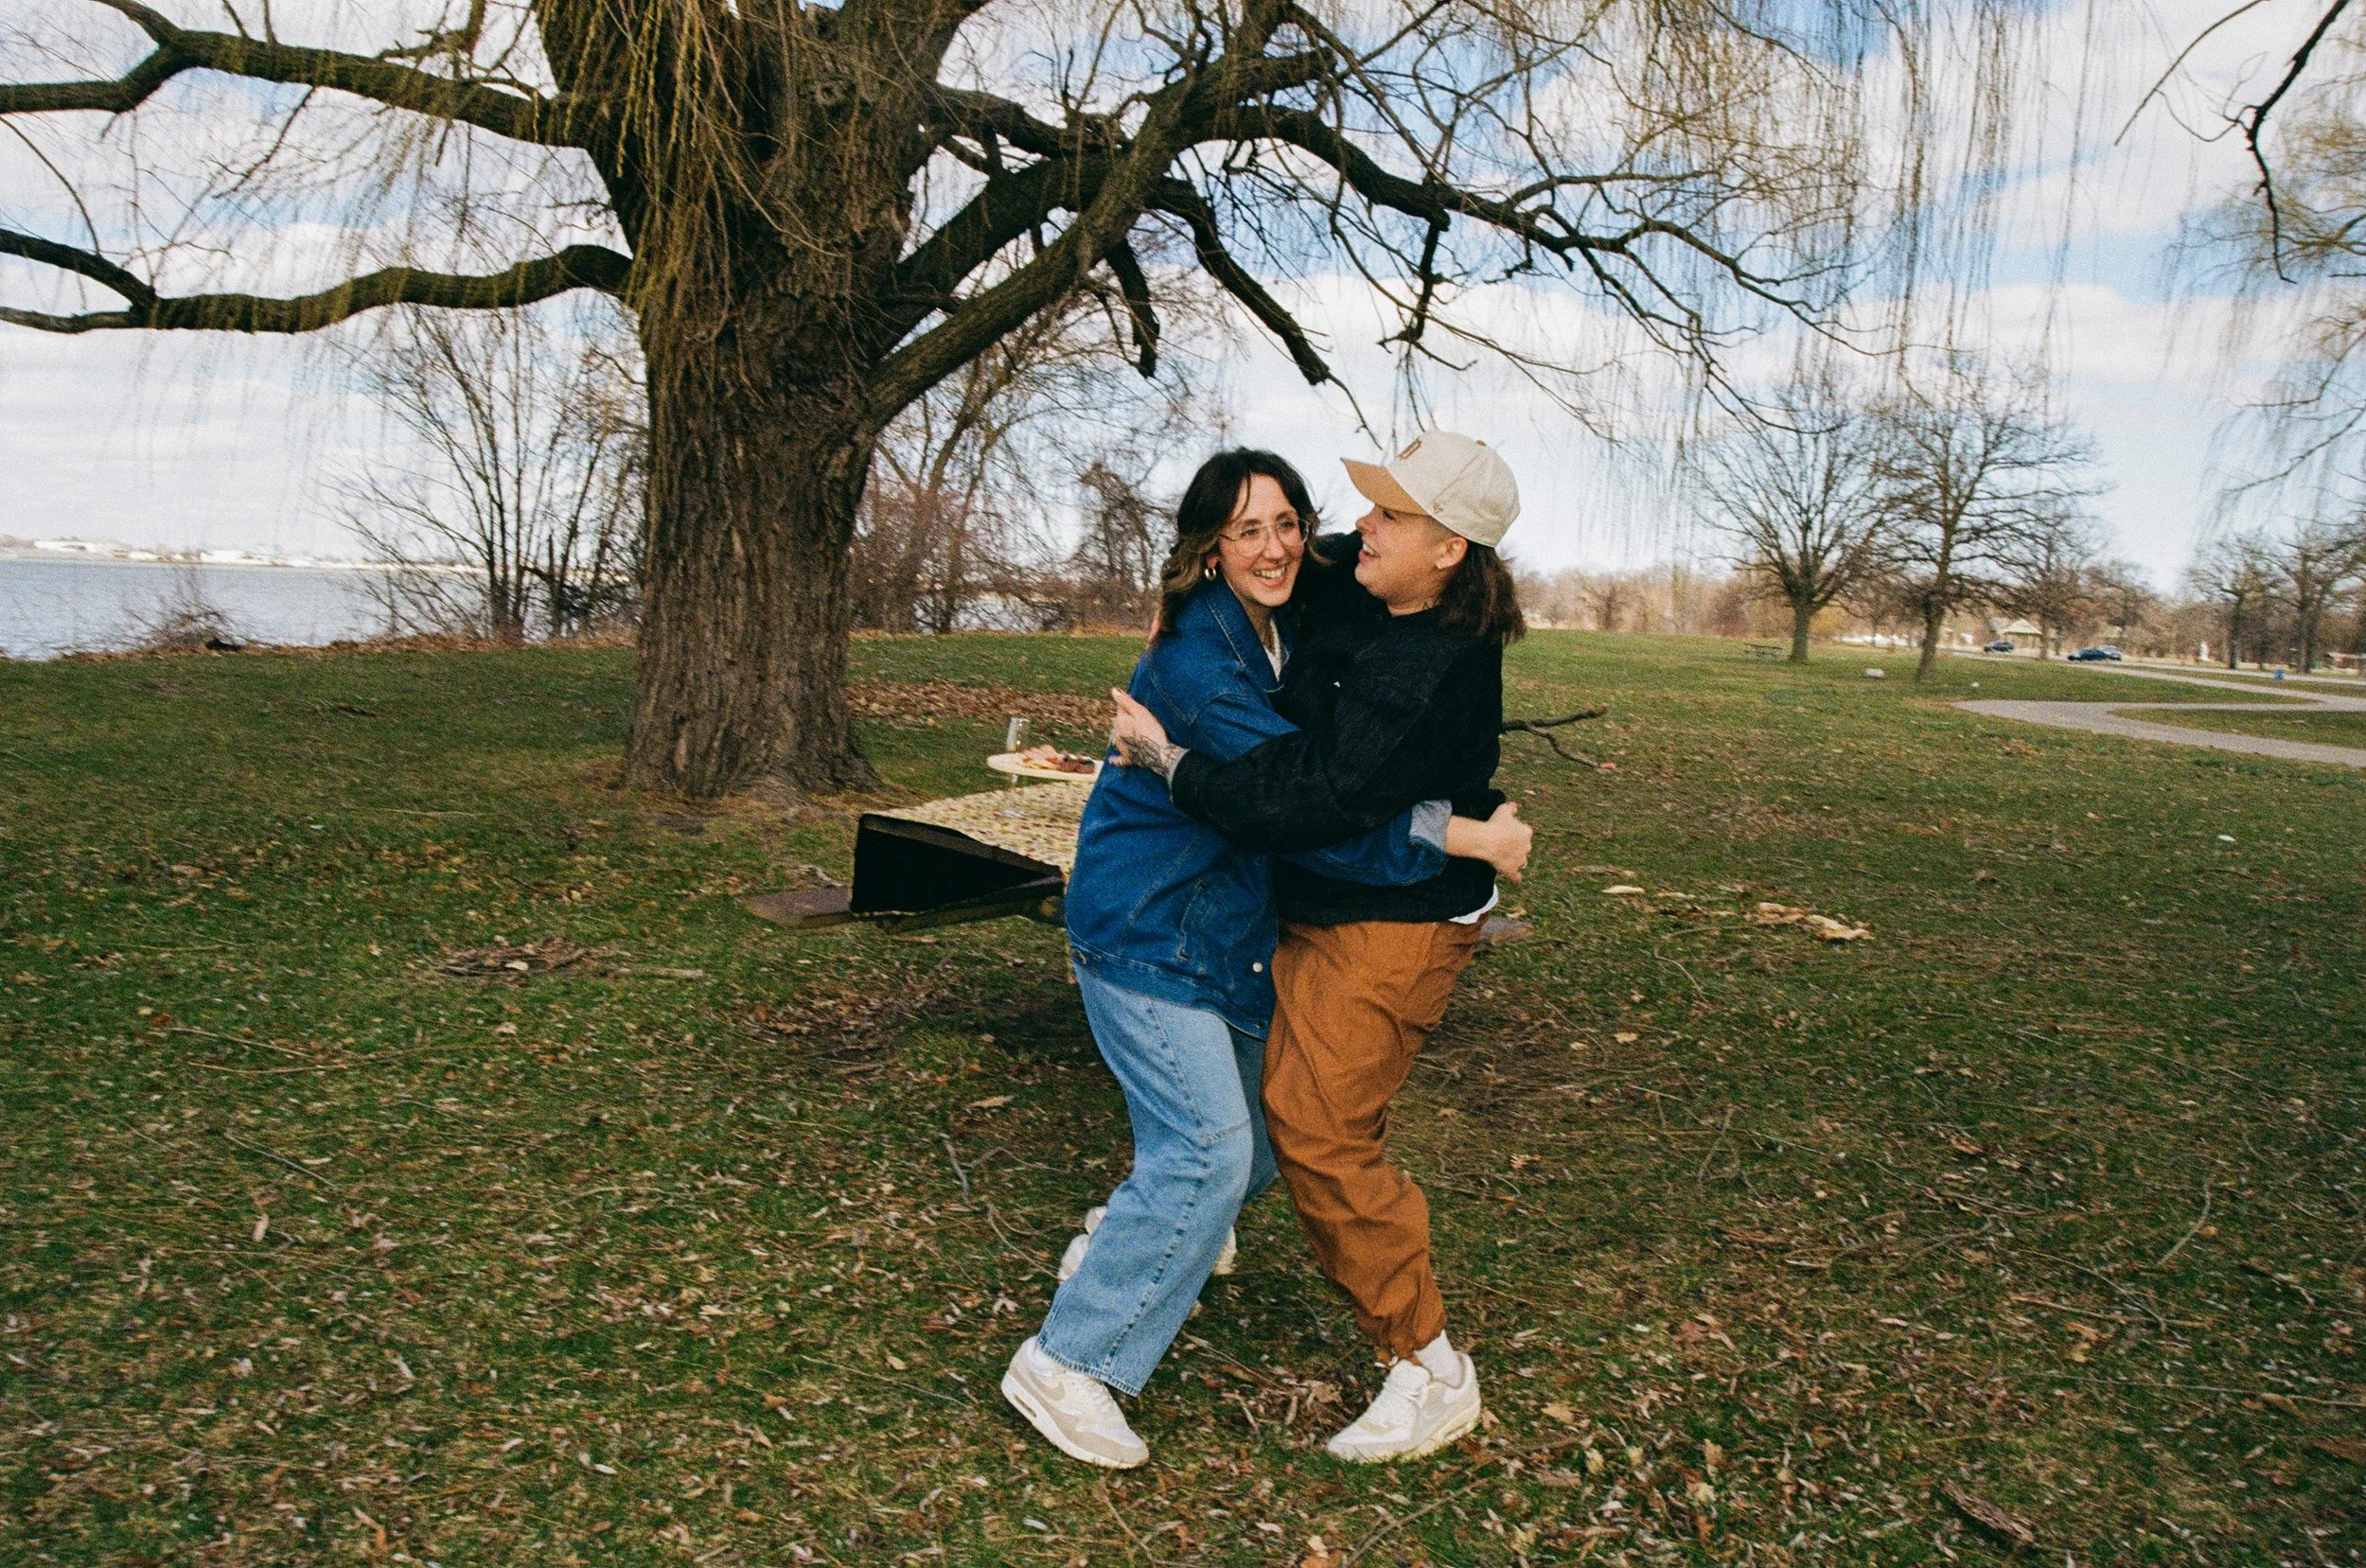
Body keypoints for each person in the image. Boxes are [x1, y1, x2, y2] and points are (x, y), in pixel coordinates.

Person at [1000, 449, 1532, 1471]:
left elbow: (1301, 807)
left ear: (1448, 550)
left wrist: (1174, 759)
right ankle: (1130, 1280)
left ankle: (1427, 1369)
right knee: (1228, 1142)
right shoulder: (1349, 581)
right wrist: (1183, 591)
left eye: (1386, 513)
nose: (1328, 537)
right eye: (1253, 531)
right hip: (1203, 917)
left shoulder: (1426, 671)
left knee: (1311, 1134)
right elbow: (1270, 568)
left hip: (1384, 916)